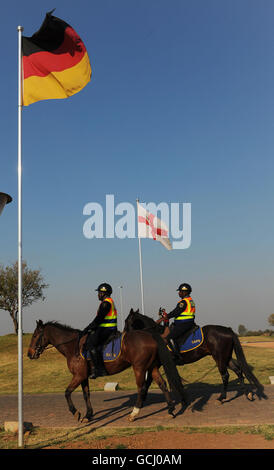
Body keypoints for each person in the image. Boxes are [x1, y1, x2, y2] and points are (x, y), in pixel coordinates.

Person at [81, 283, 118, 379]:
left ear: (104, 293)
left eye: (99, 292)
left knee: (91, 344)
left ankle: (99, 369)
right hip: (106, 328)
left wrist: (88, 328)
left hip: (107, 329)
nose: (98, 294)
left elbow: (99, 319)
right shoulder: (107, 302)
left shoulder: (106, 303)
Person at [163, 283, 196, 355]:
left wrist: (167, 316)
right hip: (189, 323)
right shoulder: (190, 300)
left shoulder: (184, 302)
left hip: (184, 324)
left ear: (185, 292)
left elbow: (176, 312)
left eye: (180, 291)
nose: (179, 293)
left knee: (169, 338)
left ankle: (176, 355)